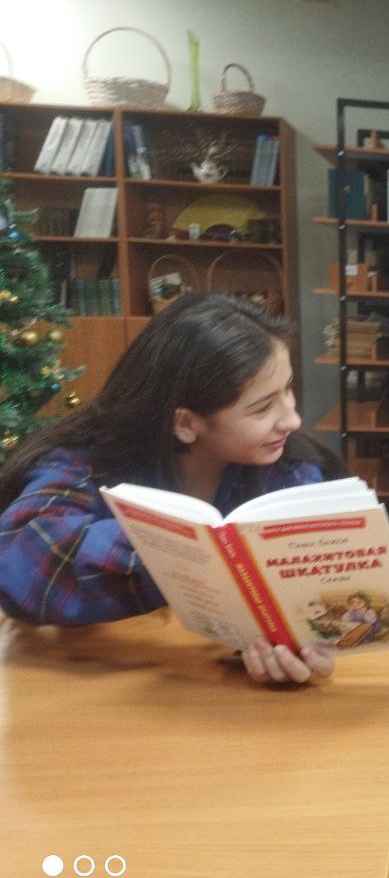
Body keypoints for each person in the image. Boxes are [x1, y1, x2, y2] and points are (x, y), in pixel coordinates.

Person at [0, 293, 345, 685]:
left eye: (288, 389)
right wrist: (182, 552)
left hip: (217, 690)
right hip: (87, 684)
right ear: (185, 423)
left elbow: (311, 603)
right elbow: (19, 560)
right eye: (262, 408)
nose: (292, 420)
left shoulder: (289, 471)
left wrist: (294, 644)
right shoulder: (88, 460)